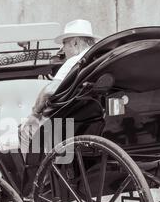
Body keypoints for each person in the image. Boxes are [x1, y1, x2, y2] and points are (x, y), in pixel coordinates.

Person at [19, 19, 100, 153]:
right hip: (90, 117)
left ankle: (31, 173)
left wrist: (35, 113)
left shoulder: (75, 61)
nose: (62, 49)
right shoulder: (97, 60)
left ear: (75, 42)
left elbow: (50, 90)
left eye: (64, 43)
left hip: (66, 120)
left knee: (26, 130)